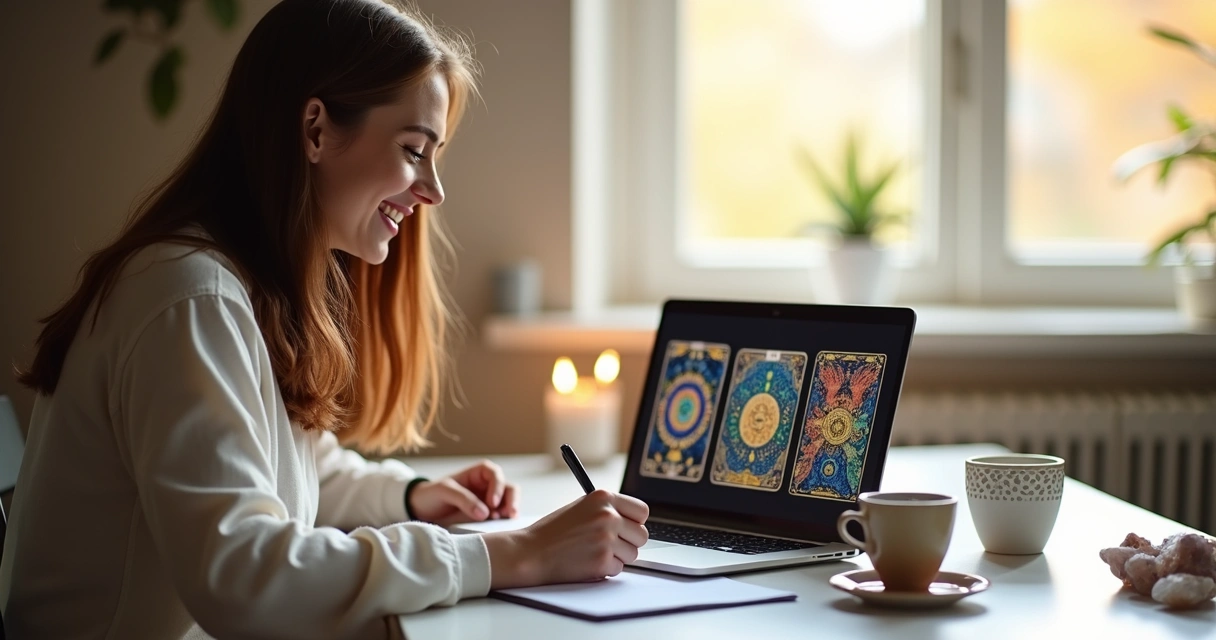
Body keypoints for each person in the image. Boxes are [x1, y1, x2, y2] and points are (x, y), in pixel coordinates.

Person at [0, 1, 649, 638]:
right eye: (413, 149)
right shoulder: (189, 299)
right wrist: (517, 554)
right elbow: (242, 574)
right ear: (315, 130)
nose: (433, 190)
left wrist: (409, 496)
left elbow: (277, 471)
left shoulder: (239, 284)